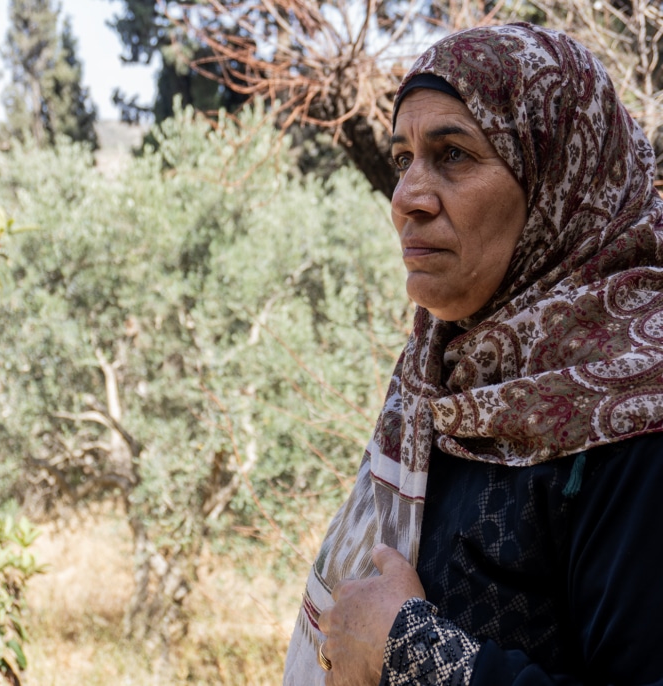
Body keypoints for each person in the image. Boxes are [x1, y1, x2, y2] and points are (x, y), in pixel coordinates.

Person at [283, 21, 663, 686]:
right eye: (403, 159)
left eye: (453, 153)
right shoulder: (442, 379)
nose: (406, 198)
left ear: (559, 178)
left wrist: (413, 652)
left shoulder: (637, 413)